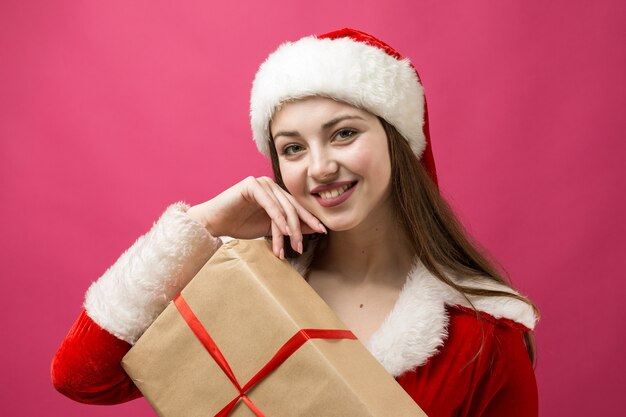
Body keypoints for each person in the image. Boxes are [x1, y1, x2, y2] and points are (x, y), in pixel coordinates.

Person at [51, 28, 539, 417]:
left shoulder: (484, 333)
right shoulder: (240, 284)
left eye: (344, 133)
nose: (320, 167)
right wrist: (200, 226)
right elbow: (81, 377)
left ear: (400, 141)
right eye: (293, 148)